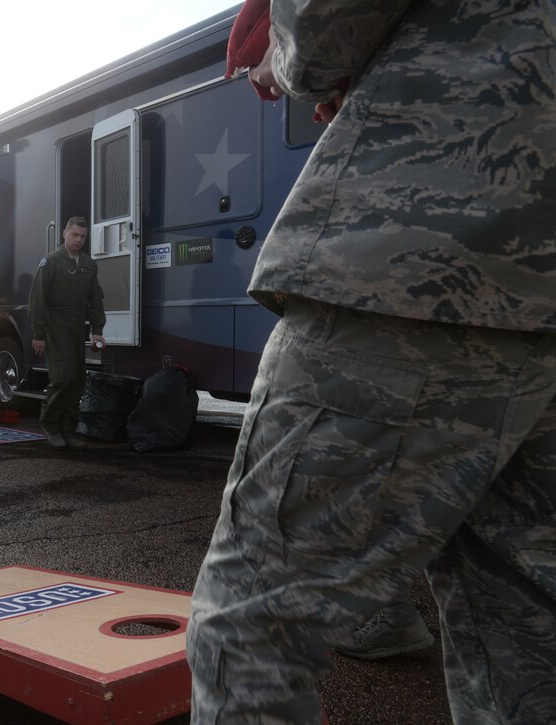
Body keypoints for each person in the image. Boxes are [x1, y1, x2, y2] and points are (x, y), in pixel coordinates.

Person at [187, 1, 555, 723]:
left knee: (254, 625)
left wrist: (283, 56)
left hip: (424, 247)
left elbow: (326, 23)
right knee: (525, 642)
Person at [28, 217, 106, 450]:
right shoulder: (50, 262)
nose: (79, 240)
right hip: (55, 325)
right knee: (63, 377)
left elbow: (95, 300)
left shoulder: (89, 266)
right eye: (75, 235)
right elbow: (37, 300)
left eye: (83, 236)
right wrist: (38, 333)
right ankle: (50, 425)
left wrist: (97, 331)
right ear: (64, 234)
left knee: (78, 380)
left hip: (75, 326)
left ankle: (68, 429)